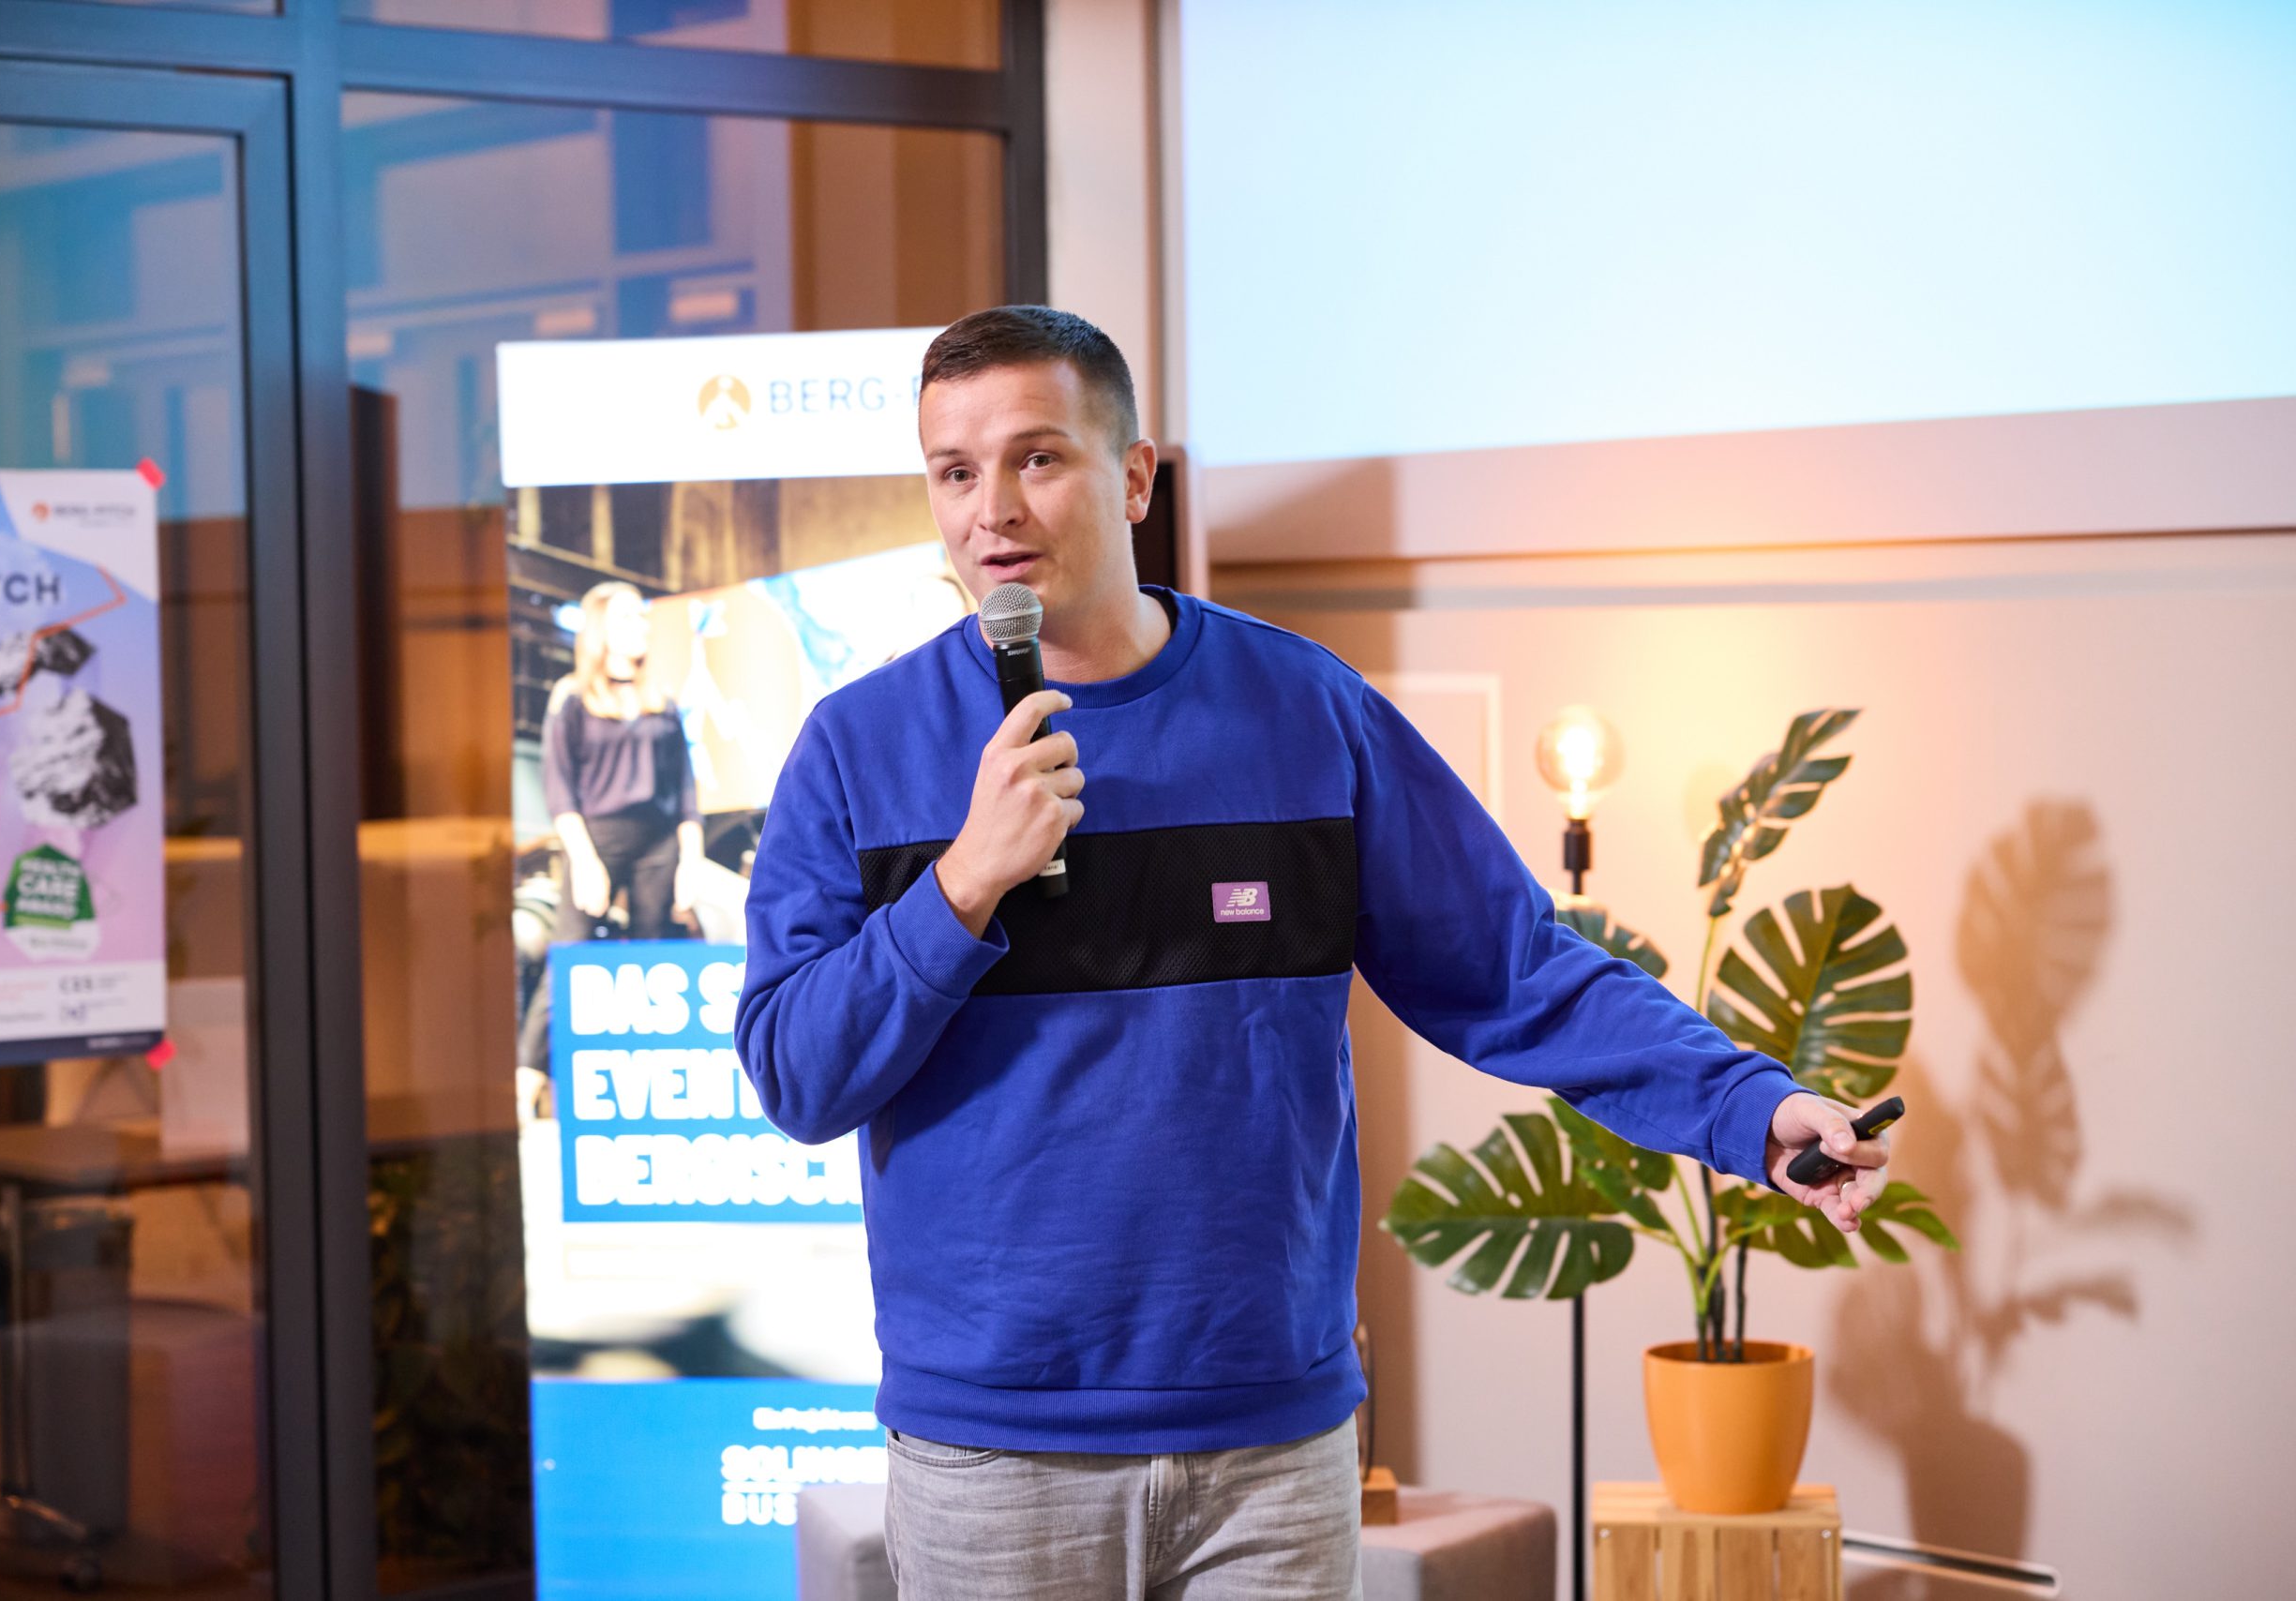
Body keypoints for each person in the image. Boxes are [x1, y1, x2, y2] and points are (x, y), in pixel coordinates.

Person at [733, 308, 1895, 1600]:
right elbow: (798, 1074)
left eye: (1037, 458)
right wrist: (961, 886)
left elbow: (1516, 970)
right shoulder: (856, 746)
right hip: (994, 1457)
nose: (991, 509)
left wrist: (1753, 1106)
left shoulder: (1305, 711)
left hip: (1269, 1454)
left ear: (1134, 476)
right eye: (955, 471)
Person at [542, 580, 705, 941]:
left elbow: (685, 788)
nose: (641, 625)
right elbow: (559, 787)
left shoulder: (661, 700)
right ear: (601, 628)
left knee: (657, 950)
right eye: (628, 617)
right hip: (599, 836)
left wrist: (690, 862)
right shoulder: (573, 698)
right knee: (573, 946)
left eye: (641, 616)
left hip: (659, 841)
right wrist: (584, 861)